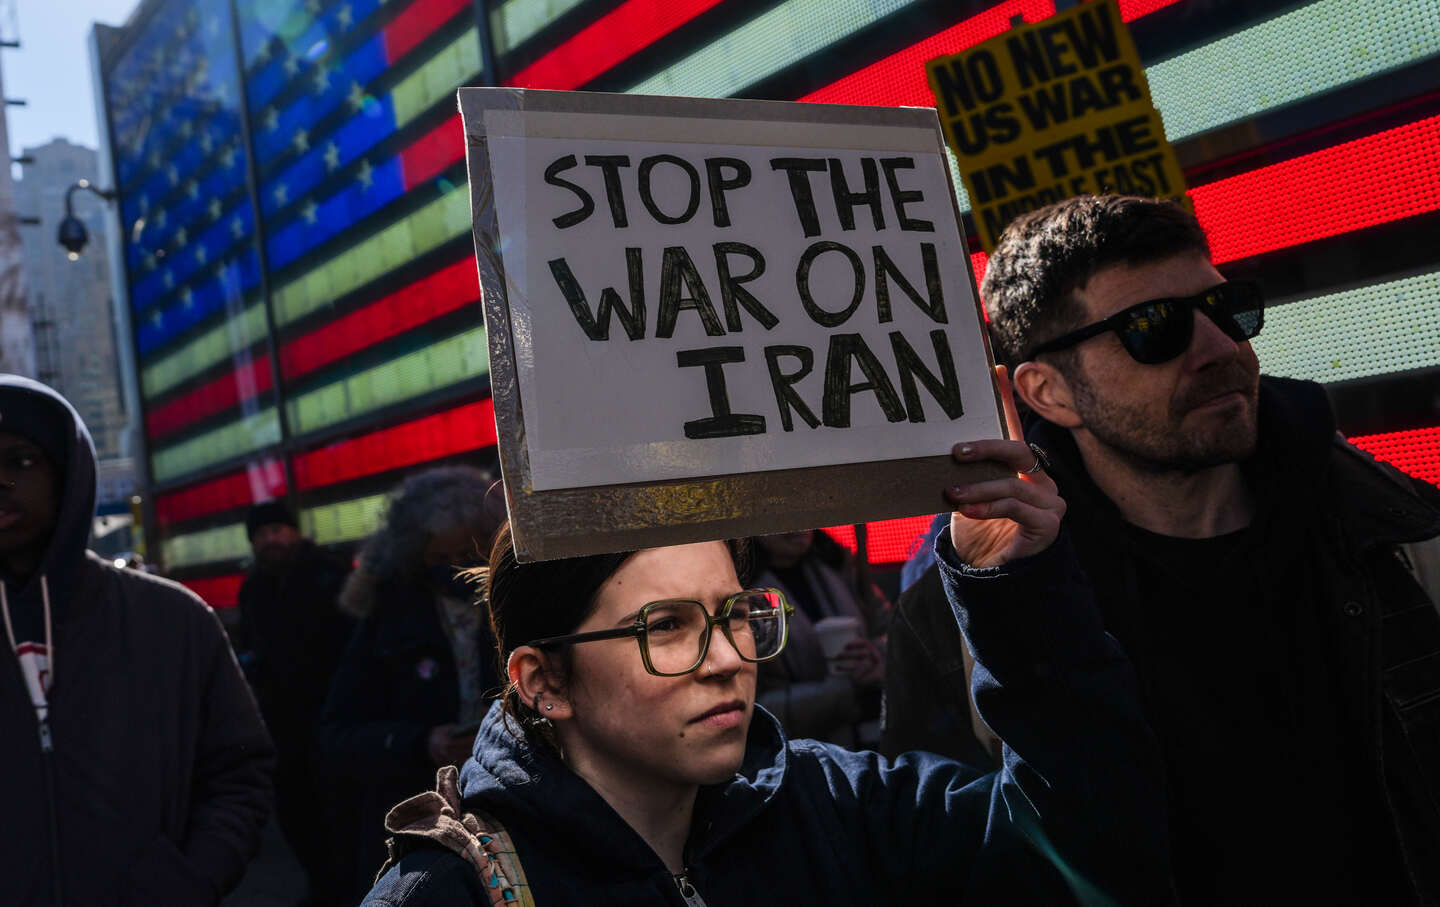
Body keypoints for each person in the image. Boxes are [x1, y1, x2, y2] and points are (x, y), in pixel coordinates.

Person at [359, 376, 1175, 906]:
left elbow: (1086, 854)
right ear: (543, 680)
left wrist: (1017, 594)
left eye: (733, 614)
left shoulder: (830, 802)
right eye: (665, 626)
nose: (726, 659)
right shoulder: (447, 893)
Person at [948, 194, 1437, 902]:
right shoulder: (987, 601)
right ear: (1048, 393)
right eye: (1154, 327)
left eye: (1227, 308)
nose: (1219, 348)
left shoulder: (1399, 531)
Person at [0, 375, 273, 905]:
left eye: (22, 461)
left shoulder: (174, 619)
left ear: (67, 474)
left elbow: (239, 773)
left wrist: (191, 880)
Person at [319, 466, 506, 900]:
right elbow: (337, 734)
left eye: (468, 554)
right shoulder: (386, 618)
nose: (456, 570)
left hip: (502, 810)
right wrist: (421, 742)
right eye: (440, 559)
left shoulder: (511, 603)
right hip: (413, 823)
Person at [237, 499, 353, 906]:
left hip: (332, 711)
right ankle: (322, 886)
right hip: (282, 720)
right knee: (294, 809)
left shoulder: (329, 573)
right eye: (262, 534)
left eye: (277, 530)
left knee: (336, 808)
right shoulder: (254, 588)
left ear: (294, 532)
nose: (271, 540)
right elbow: (250, 646)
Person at [751, 529, 889, 745]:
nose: (799, 526)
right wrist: (843, 690)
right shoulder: (742, 597)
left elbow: (890, 632)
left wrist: (877, 659)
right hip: (804, 750)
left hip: (874, 736)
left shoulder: (839, 565)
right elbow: (755, 708)